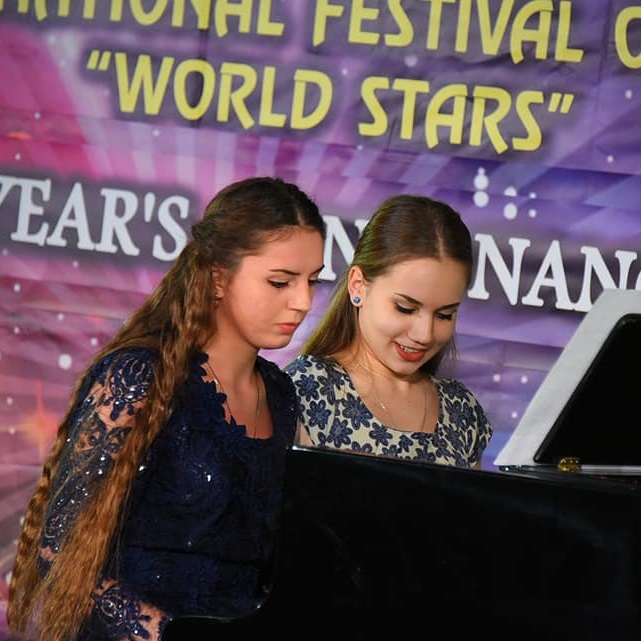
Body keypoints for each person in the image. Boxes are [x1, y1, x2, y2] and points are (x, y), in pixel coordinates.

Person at [6, 176, 326, 641]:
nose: (303, 302)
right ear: (218, 277)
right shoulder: (140, 375)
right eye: (280, 281)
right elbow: (58, 549)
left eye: (313, 281)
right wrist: (170, 636)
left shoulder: (281, 395)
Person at [285, 194, 491, 468]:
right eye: (405, 308)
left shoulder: (461, 410)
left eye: (445, 315)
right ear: (358, 286)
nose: (424, 334)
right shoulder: (310, 388)